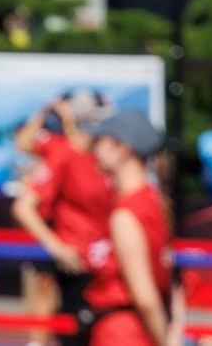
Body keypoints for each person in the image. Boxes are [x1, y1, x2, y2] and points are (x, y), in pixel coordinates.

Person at [14, 100, 115, 345]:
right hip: (68, 247)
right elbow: (23, 144)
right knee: (45, 289)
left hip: (100, 259)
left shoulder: (102, 159)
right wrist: (45, 112)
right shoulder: (61, 150)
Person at [80, 109, 173, 346]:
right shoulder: (154, 200)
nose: (94, 149)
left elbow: (144, 297)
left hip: (122, 333)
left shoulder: (126, 213)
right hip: (138, 331)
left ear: (124, 149)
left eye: (101, 142)